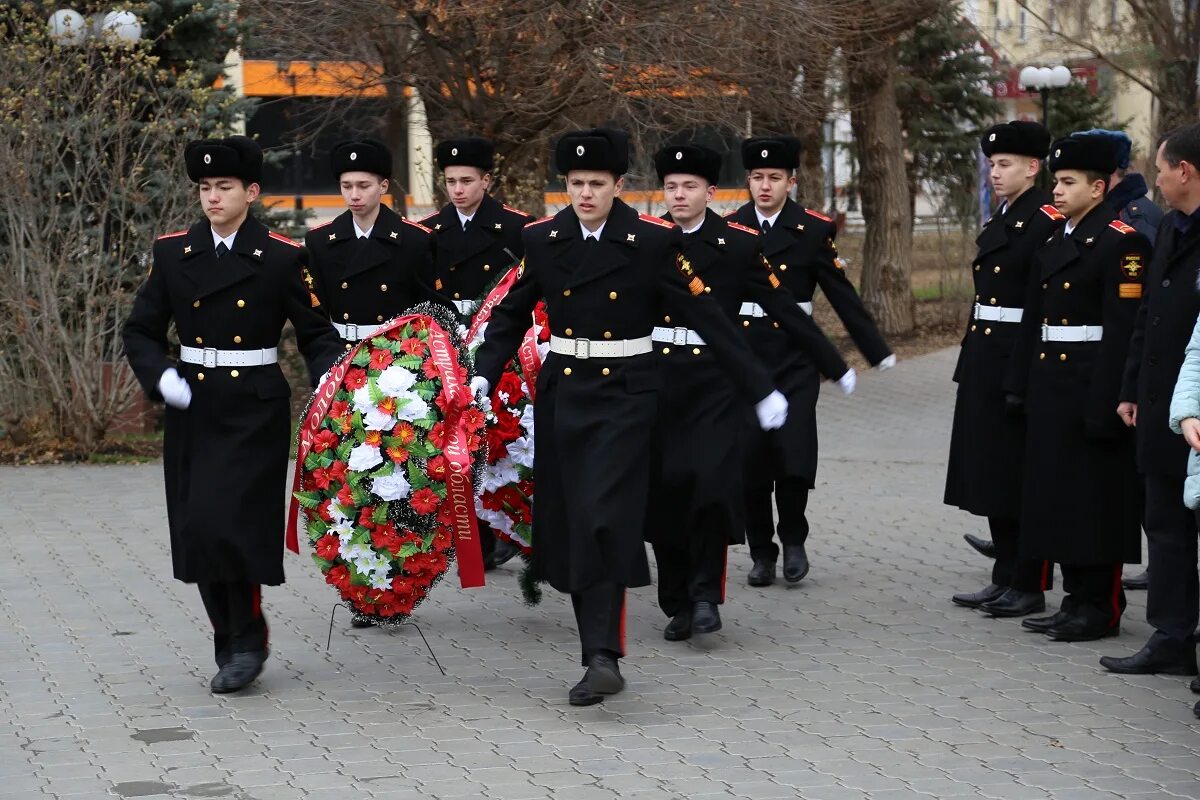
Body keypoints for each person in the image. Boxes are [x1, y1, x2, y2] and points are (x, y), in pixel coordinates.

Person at [468, 128, 788, 705]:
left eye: (597, 183)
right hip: (567, 393)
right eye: (575, 183)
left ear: (620, 185)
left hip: (629, 396)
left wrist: (759, 386)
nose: (586, 193)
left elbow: (707, 315)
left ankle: (601, 657)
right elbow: (512, 314)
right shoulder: (544, 239)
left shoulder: (651, 242)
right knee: (573, 524)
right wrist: (482, 373)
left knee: (604, 518)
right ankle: (598, 648)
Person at [123, 136, 343, 692]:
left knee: (235, 525)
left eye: (224, 187)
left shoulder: (282, 255)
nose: (213, 197)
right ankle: (229, 638)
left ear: (252, 192)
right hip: (194, 402)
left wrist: (333, 385)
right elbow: (141, 328)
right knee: (199, 527)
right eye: (205, 188)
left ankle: (247, 640)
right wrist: (161, 373)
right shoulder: (175, 253)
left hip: (253, 406)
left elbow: (317, 335)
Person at [647, 143, 853, 641]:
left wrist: (832, 362)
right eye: (671, 187)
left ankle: (704, 597)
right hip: (658, 382)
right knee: (667, 495)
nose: (679, 195)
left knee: (712, 489)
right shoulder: (644, 240)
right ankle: (675, 599)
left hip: (718, 383)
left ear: (711, 192)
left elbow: (781, 305)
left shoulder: (735, 244)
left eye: (690, 187)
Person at [728, 136, 894, 587]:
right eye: (758, 178)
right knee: (751, 461)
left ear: (792, 182)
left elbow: (841, 294)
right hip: (745, 359)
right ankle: (762, 551)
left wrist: (874, 350)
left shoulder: (812, 230)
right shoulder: (731, 228)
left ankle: (794, 538)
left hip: (795, 358)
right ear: (748, 180)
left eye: (775, 178)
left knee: (794, 455)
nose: (765, 186)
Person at [1008, 133, 1149, 642]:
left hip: (1093, 381)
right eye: (1056, 182)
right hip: (1052, 383)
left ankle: (1101, 606)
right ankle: (1073, 599)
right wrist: (1021, 383)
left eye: (1068, 183)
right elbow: (1035, 320)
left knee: (1096, 500)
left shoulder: (1121, 241)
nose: (1058, 191)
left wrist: (1109, 398)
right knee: (1059, 495)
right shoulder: (1055, 237)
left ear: (1097, 187)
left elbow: (1124, 327)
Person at [303, 137, 446, 629]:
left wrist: (423, 370)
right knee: (343, 476)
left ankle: (398, 579)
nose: (355, 195)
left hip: (395, 373)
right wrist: (323, 368)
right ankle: (361, 581)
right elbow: (314, 316)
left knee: (396, 479)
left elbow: (431, 311)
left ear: (384, 186)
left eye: (364, 185)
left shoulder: (412, 240)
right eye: (346, 186)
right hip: (343, 368)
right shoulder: (321, 241)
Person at [946, 121, 1059, 618]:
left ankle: (1028, 582)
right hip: (986, 357)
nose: (995, 172)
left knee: (1018, 475)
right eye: (992, 164)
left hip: (1018, 357)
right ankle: (1004, 576)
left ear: (1033, 168)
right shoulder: (1005, 216)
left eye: (1005, 164)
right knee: (991, 469)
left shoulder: (1045, 220)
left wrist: (1023, 370)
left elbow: (1042, 303)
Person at [1100, 122, 1200, 680]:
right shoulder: (1170, 229)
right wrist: (1131, 389)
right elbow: (1147, 318)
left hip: (1198, 411)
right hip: (1161, 405)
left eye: (1161, 168)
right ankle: (1172, 635)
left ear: (1184, 171)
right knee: (1164, 525)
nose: (1156, 179)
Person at [420, 136, 532, 570]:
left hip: (501, 341)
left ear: (487, 180)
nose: (459, 190)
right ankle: (476, 536)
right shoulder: (430, 231)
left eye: (468, 180)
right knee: (460, 439)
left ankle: (511, 524)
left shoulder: (518, 228)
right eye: (451, 181)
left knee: (503, 438)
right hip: (450, 344)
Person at [1075, 128, 1166, 593]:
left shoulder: (1136, 217)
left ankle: (1159, 561)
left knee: (1137, 477)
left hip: (1134, 369)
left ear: (1110, 174)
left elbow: (1137, 298)